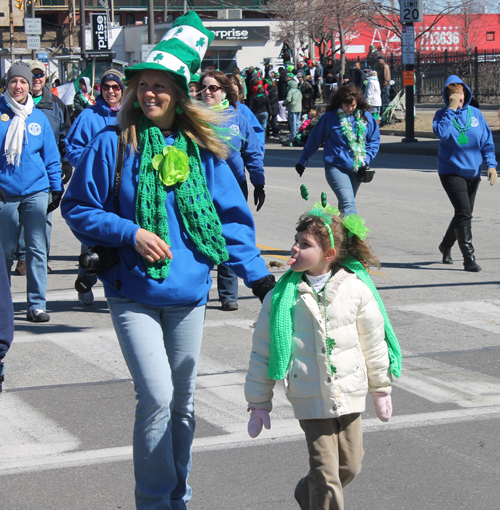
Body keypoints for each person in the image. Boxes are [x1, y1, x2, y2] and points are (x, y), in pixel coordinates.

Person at [61, 12, 275, 509]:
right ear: (133, 90)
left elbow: (231, 220)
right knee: (156, 397)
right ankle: (155, 502)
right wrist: (130, 232)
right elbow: (77, 207)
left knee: (183, 405)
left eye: (162, 87)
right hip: (132, 292)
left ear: (179, 95)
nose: (150, 94)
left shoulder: (203, 150)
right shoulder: (113, 143)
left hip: (189, 295)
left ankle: (178, 496)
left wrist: (261, 281)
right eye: (144, 85)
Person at [245, 200, 401, 510]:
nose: (294, 248)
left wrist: (381, 387)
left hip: (348, 392)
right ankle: (318, 491)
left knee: (350, 466)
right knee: (327, 473)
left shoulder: (355, 289)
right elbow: (263, 350)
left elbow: (373, 341)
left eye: (305, 244)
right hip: (309, 395)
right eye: (296, 241)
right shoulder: (281, 296)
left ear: (328, 255)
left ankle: (307, 492)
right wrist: (258, 402)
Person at [0, 62, 63, 322]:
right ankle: (3, 306)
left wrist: (56, 187)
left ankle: (37, 304)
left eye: (23, 82)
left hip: (36, 191)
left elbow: (51, 155)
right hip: (5, 194)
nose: (18, 86)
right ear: (7, 84)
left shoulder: (37, 117)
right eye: (14, 81)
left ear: (29, 86)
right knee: (4, 251)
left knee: (37, 249)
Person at [200, 69, 266, 311]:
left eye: (213, 88)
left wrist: (258, 182)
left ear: (224, 92)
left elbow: (252, 151)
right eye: (203, 87)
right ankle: (199, 290)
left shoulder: (237, 118)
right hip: (201, 188)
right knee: (202, 239)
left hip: (235, 188)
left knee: (231, 236)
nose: (207, 92)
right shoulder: (193, 116)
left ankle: (228, 294)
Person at [65, 69, 125, 304]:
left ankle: (121, 285)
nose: (111, 91)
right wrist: (91, 166)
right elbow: (72, 147)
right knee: (91, 238)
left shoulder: (132, 115)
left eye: (116, 87)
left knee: (122, 236)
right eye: (106, 87)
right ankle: (86, 279)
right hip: (96, 189)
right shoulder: (88, 116)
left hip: (123, 190)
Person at [13, 60, 72, 277]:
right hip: (15, 171)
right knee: (17, 220)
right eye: (32, 75)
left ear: (45, 77)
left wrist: (65, 163)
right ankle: (22, 257)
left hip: (45, 173)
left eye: (40, 75)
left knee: (43, 218)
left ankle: (40, 258)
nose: (36, 79)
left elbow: (65, 137)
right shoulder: (11, 103)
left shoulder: (56, 104)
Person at [433, 75, 497, 272]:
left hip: (473, 171)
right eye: (453, 96)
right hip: (451, 171)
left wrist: (491, 165)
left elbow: (487, 142)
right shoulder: (442, 115)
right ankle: (469, 257)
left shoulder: (476, 114)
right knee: (464, 213)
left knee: (463, 213)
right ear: (447, 97)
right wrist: (451, 109)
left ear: (465, 94)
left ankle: (445, 245)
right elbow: (441, 134)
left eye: (460, 96)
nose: (458, 99)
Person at [295, 85, 380, 215]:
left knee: (345, 205)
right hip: (336, 166)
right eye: (347, 105)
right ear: (340, 102)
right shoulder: (329, 117)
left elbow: (374, 140)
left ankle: (340, 233)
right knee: (348, 203)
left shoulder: (365, 117)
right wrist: (303, 160)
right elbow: (314, 139)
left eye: (353, 105)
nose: (350, 109)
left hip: (357, 167)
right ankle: (355, 234)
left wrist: (366, 160)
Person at [226, 73, 265, 154]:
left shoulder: (243, 109)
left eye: (234, 83)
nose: (232, 95)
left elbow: (256, 130)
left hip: (240, 155)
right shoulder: (217, 109)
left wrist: (259, 149)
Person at [283, 78, 302, 146]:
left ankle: (293, 137)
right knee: (297, 123)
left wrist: (284, 103)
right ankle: (298, 135)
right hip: (299, 108)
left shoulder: (291, 91)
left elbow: (288, 99)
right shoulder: (298, 91)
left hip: (292, 108)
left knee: (292, 123)